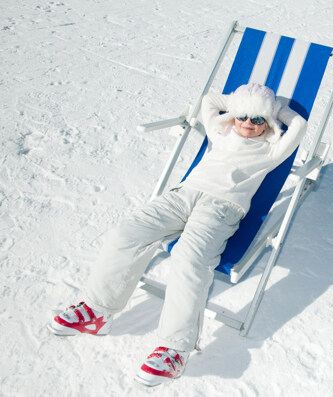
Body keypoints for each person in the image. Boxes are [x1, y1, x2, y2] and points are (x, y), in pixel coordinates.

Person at [48, 83, 308, 387]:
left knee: (188, 258)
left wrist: (272, 107)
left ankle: (175, 349)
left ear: (268, 122)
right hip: (183, 195)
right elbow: (210, 100)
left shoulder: (271, 149)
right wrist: (242, 102)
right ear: (234, 114)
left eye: (258, 119)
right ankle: (97, 311)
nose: (249, 124)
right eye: (243, 116)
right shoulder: (219, 131)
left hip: (222, 208)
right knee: (126, 233)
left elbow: (299, 124)